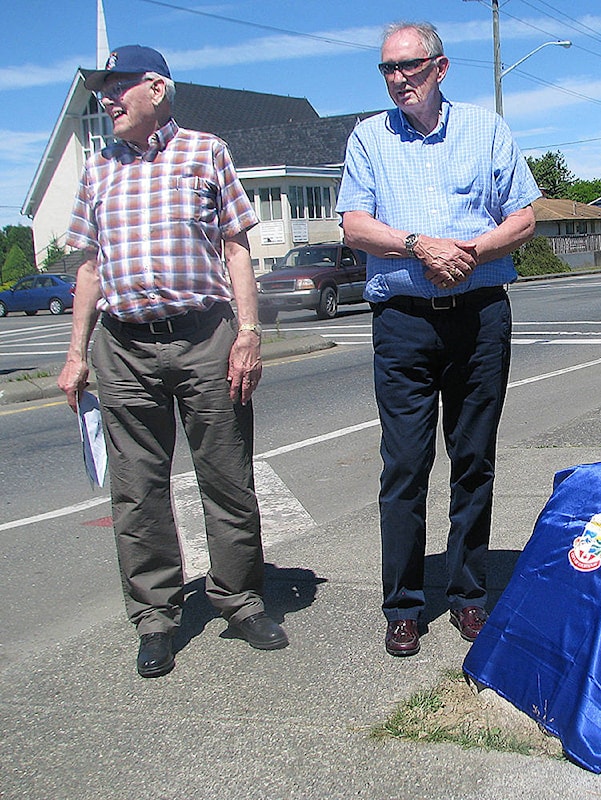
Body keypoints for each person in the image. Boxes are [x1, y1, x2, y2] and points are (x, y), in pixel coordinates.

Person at [58, 45, 288, 679]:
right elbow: (88, 268)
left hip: (205, 337)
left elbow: (236, 248)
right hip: (123, 345)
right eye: (102, 90)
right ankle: (155, 616)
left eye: (118, 86)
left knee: (226, 474)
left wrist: (248, 333)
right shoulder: (98, 170)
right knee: (136, 489)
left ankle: (239, 598)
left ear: (156, 89)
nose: (107, 99)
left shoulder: (205, 152)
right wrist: (76, 353)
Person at [336, 22, 540, 657]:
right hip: (403, 321)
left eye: (411, 66)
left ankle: (469, 594)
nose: (400, 78)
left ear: (441, 67)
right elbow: (355, 224)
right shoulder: (369, 138)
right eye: (389, 69)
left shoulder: (487, 130)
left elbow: (524, 217)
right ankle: (402, 603)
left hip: (479, 315)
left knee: (473, 459)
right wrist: (418, 245)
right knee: (404, 464)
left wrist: (471, 252)